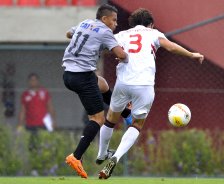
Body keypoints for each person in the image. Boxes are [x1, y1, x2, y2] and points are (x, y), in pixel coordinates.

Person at [97, 8, 204, 179]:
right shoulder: (153, 33)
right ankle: (115, 157)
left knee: (110, 119)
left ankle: (102, 154)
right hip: (144, 85)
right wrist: (191, 54)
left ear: (132, 23)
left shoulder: (122, 35)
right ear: (151, 24)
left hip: (123, 82)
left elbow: (104, 47)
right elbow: (171, 47)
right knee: (137, 124)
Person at [62, 4, 129, 179]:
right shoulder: (105, 32)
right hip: (82, 77)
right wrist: (127, 56)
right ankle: (75, 157)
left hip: (68, 74)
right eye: (114, 20)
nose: (115, 24)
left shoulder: (85, 23)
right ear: (104, 19)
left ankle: (126, 113)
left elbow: (69, 34)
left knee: (103, 84)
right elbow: (121, 55)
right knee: (98, 119)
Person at [18, 73, 56, 148]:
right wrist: (20, 125)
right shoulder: (25, 94)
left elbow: (50, 107)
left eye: (35, 80)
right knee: (32, 146)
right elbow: (23, 111)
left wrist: (53, 121)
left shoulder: (44, 92)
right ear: (28, 82)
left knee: (45, 146)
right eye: (31, 80)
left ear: (38, 81)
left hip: (43, 124)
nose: (33, 82)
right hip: (30, 125)